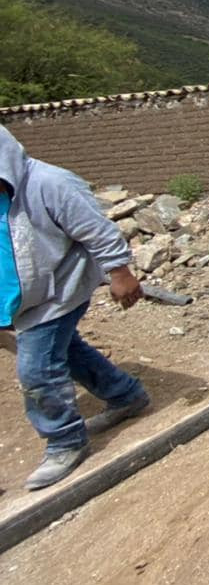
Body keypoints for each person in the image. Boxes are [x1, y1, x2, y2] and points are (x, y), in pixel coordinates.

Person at [0, 125, 150, 491]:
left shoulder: (47, 183)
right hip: (21, 301)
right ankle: (125, 395)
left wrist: (120, 273)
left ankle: (65, 441)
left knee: (37, 370)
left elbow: (96, 230)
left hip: (58, 292)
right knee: (66, 351)